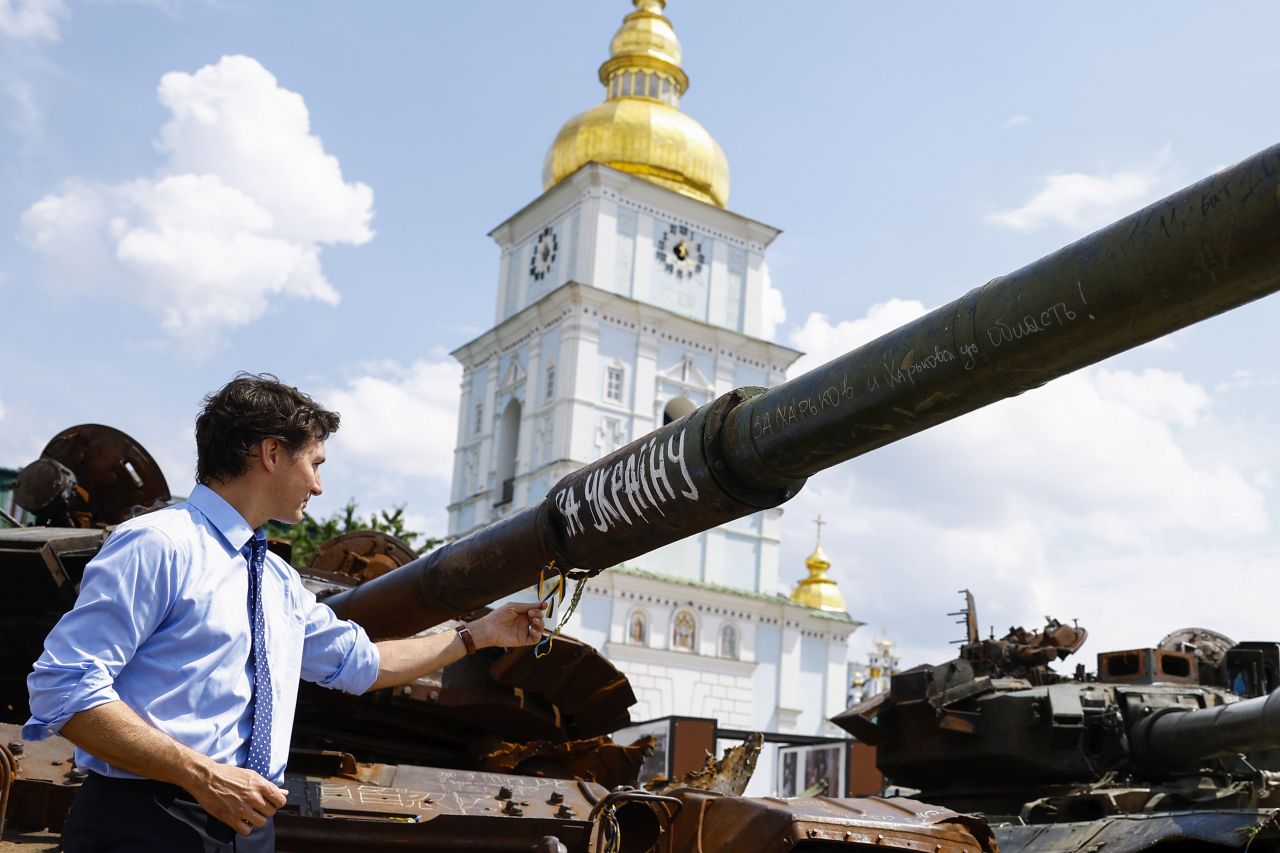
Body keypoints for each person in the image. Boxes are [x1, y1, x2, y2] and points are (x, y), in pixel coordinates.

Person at [24, 373, 546, 852]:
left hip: (246, 824)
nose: (318, 486)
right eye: (314, 463)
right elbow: (63, 687)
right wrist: (202, 774)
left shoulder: (275, 581)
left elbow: (362, 664)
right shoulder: (159, 544)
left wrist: (478, 634)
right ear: (272, 452)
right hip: (145, 820)